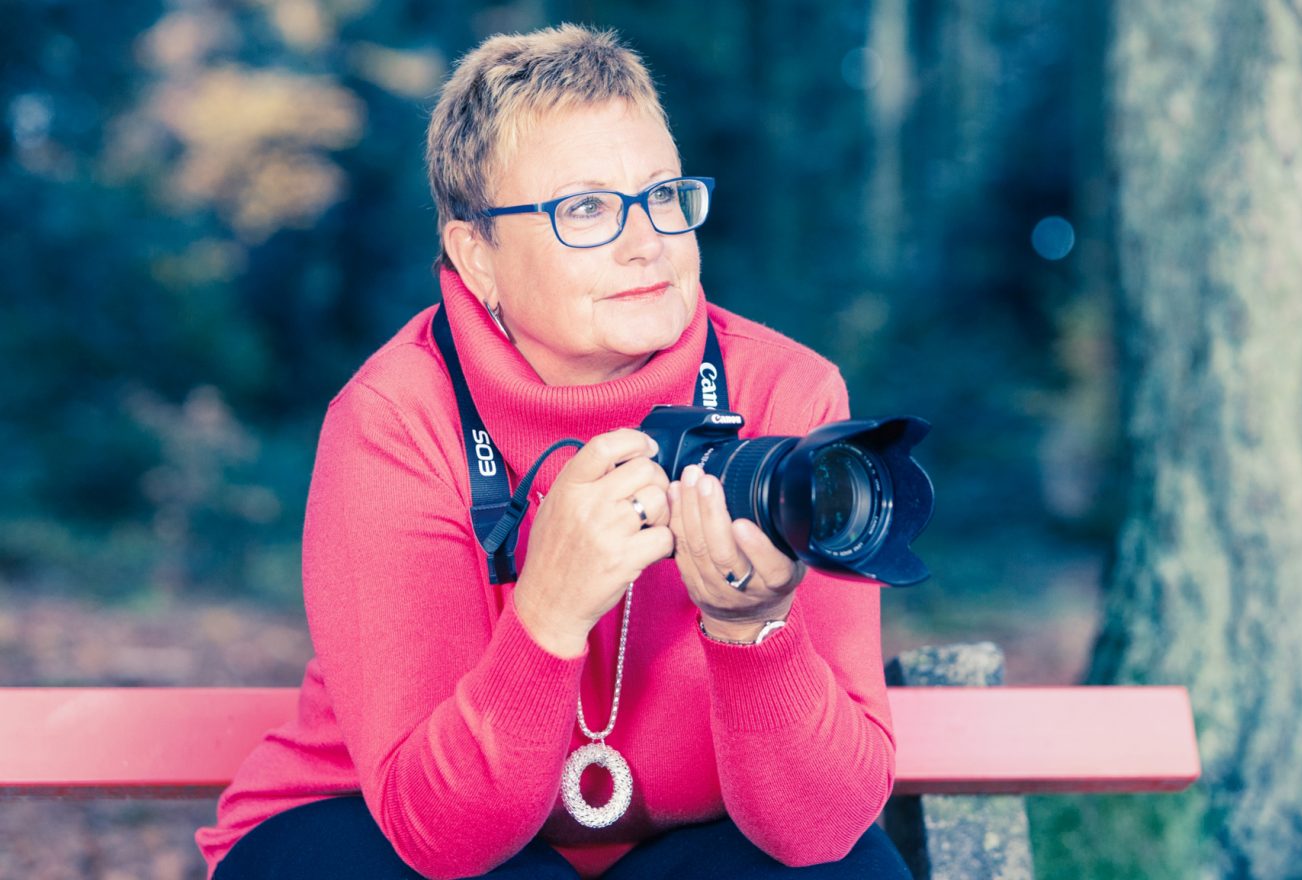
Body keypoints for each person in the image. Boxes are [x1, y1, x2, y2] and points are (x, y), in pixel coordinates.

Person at [197, 23, 911, 880]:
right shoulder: (395, 419)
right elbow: (441, 835)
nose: (647, 241)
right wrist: (546, 617)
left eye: (664, 195)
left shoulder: (789, 394)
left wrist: (754, 630)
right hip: (383, 834)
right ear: (478, 255)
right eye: (586, 210)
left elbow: (822, 832)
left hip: (687, 843)